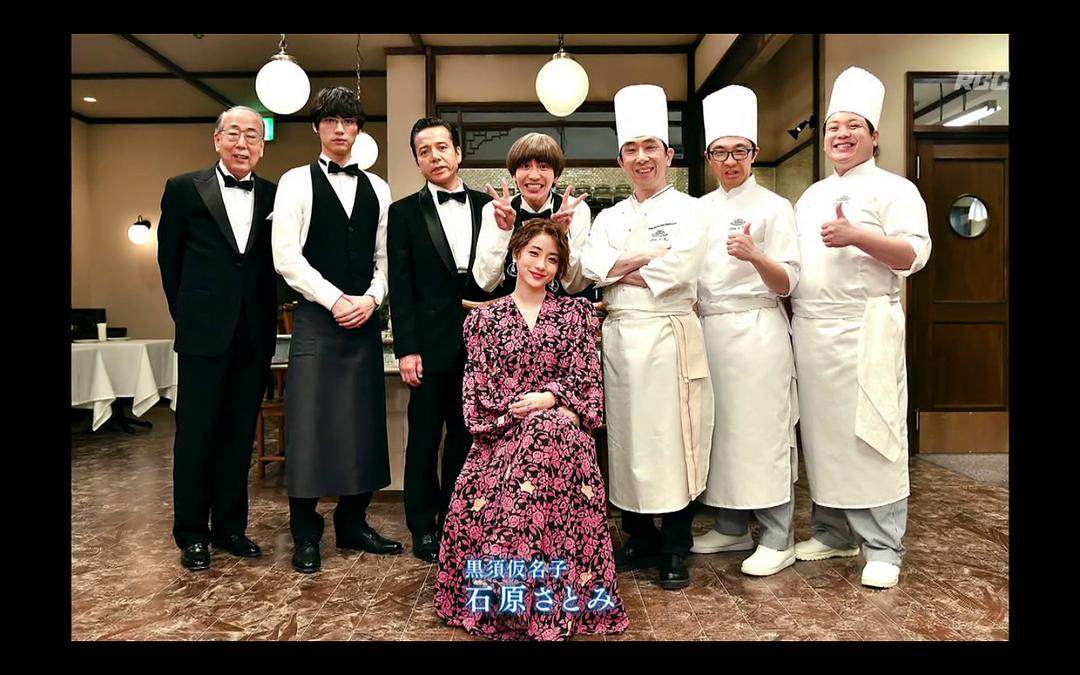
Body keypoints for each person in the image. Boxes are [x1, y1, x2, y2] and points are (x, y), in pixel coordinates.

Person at [434, 218, 629, 640]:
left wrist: (551, 398)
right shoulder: (485, 320)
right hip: (504, 432)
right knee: (542, 428)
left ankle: (508, 574)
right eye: (534, 253)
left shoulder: (575, 315)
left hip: (563, 430)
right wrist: (528, 410)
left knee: (549, 427)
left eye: (552, 259)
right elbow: (478, 392)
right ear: (516, 254)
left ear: (560, 269)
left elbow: (588, 383)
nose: (541, 265)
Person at [790, 67, 932, 589]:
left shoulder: (897, 189)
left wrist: (857, 236)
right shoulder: (811, 195)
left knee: (874, 435)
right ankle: (832, 532)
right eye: (833, 127)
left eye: (853, 126)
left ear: (874, 135)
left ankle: (883, 546)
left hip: (865, 327)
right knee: (822, 438)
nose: (842, 135)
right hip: (813, 330)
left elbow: (913, 254)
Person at [581, 84, 712, 590]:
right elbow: (590, 269)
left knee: (673, 440)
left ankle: (676, 545)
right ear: (620, 160)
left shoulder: (692, 210)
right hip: (618, 340)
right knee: (627, 442)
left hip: (669, 337)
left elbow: (680, 271)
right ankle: (639, 536)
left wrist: (618, 267)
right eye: (631, 149)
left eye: (650, 147)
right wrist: (638, 262)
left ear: (668, 155)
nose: (641, 158)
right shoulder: (609, 216)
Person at [272, 86, 402, 574]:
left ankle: (353, 522)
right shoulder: (295, 182)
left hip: (362, 319)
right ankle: (306, 533)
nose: (340, 129)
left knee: (362, 423)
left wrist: (371, 299)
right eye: (331, 121)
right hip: (316, 320)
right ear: (317, 128)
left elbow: (385, 258)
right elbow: (286, 256)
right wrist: (334, 299)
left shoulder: (379, 188)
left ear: (359, 129)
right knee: (309, 425)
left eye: (349, 121)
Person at [157, 105, 277, 572]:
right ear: (217, 139)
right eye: (234, 133)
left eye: (252, 135)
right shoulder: (183, 188)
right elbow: (169, 262)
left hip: (254, 333)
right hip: (203, 334)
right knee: (195, 436)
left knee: (239, 436)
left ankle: (230, 527)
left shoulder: (273, 194)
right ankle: (191, 533)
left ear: (262, 145)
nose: (242, 143)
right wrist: (189, 317)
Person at [690, 85, 802, 577]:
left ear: (754, 153)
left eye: (739, 151)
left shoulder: (776, 207)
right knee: (722, 434)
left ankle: (779, 537)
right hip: (710, 331)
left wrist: (756, 256)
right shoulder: (698, 209)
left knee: (763, 432)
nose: (730, 161)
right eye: (721, 152)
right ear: (709, 157)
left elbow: (788, 282)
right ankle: (732, 526)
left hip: (758, 331)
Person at [387, 118, 495, 563]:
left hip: (480, 346)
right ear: (418, 160)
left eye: (442, 147)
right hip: (428, 347)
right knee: (424, 438)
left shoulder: (489, 207)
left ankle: (456, 519)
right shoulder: (403, 213)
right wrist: (407, 349)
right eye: (424, 151)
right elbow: (401, 286)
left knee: (467, 438)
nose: (435, 156)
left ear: (458, 153)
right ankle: (422, 525)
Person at [472, 132, 591, 298]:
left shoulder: (576, 210)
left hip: (561, 310)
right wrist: (503, 232)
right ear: (513, 175)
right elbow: (486, 282)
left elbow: (576, 285)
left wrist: (562, 235)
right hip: (510, 309)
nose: (534, 175)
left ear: (556, 176)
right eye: (525, 166)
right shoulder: (494, 210)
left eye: (543, 166)